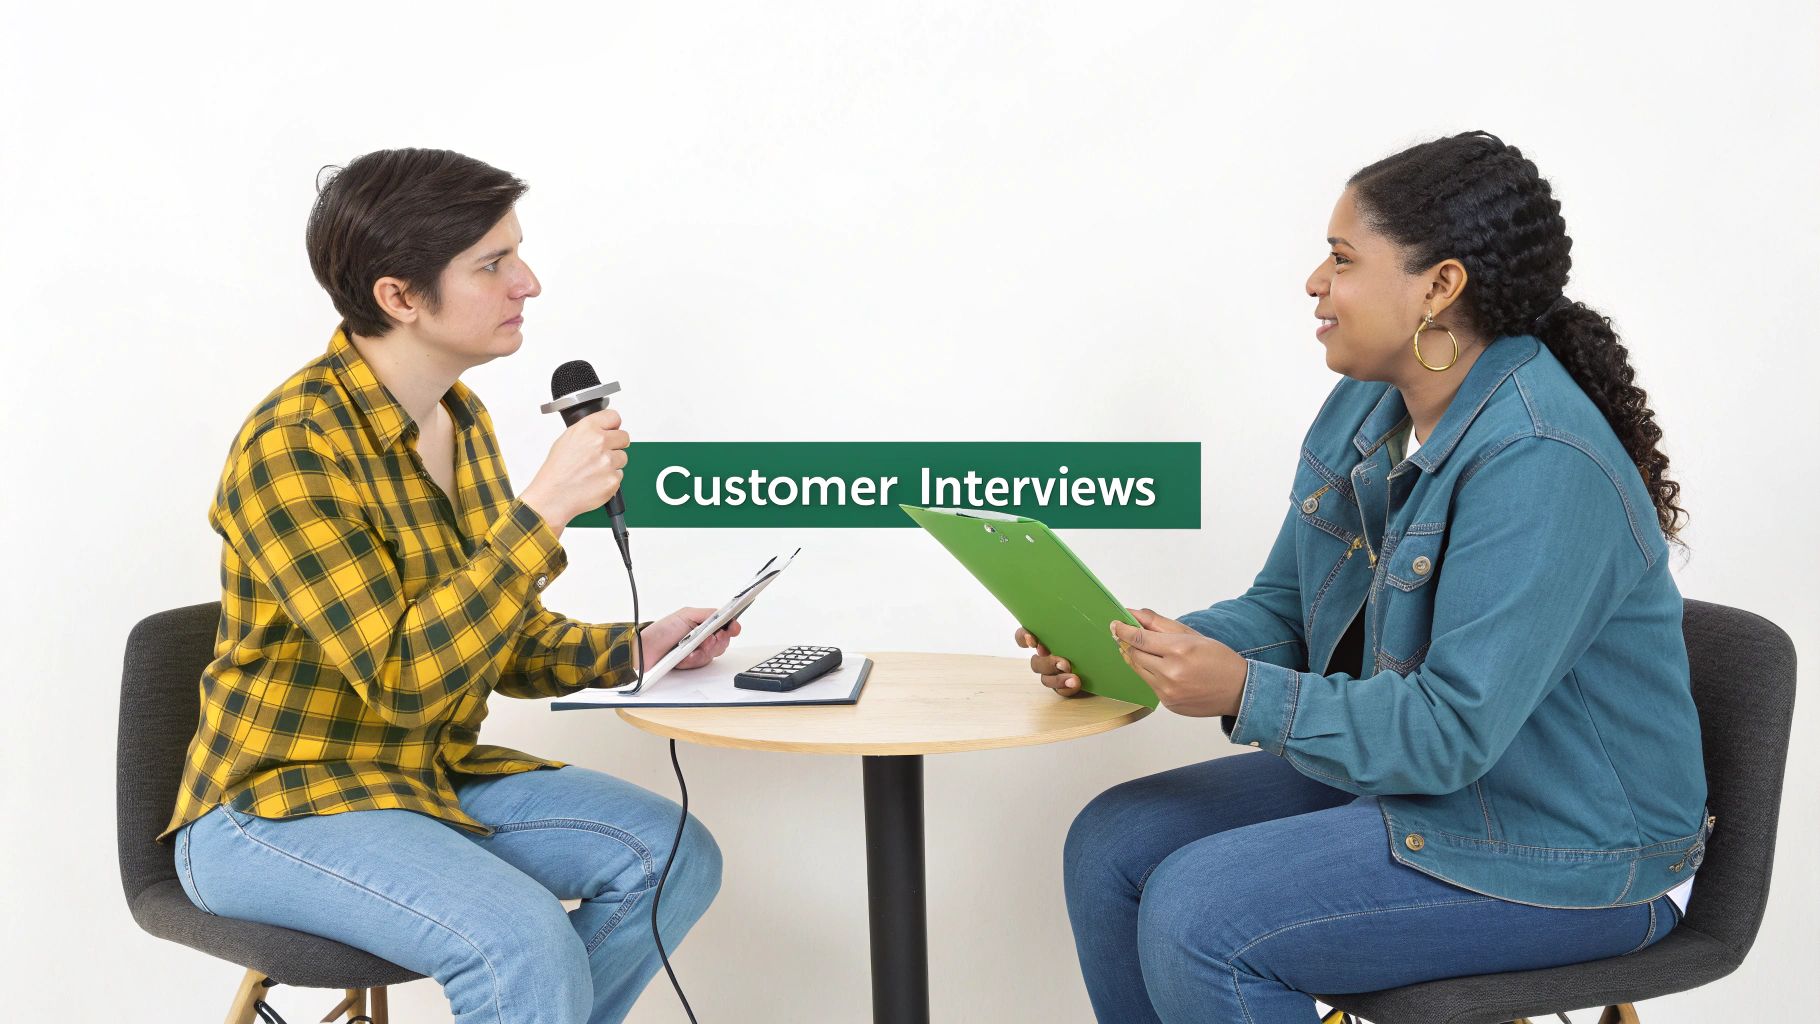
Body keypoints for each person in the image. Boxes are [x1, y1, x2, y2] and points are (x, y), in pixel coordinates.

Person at [1017, 131, 1710, 1023]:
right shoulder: (1368, 404)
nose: (1315, 282)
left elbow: (1448, 731)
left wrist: (1241, 691)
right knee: (1113, 841)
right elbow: (1289, 611)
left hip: (1576, 848)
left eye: (1342, 260)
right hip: (1439, 788)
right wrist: (1139, 646)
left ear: (1440, 286)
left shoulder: (1541, 457)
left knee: (1202, 913)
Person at [159, 148, 736, 1024]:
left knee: (672, 854)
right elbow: (404, 677)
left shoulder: (458, 420)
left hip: (423, 775)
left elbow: (490, 639)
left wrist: (639, 645)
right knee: (522, 938)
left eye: (517, 254)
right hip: (277, 807)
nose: (528, 283)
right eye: (492, 263)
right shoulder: (293, 446)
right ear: (398, 297)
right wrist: (541, 511)